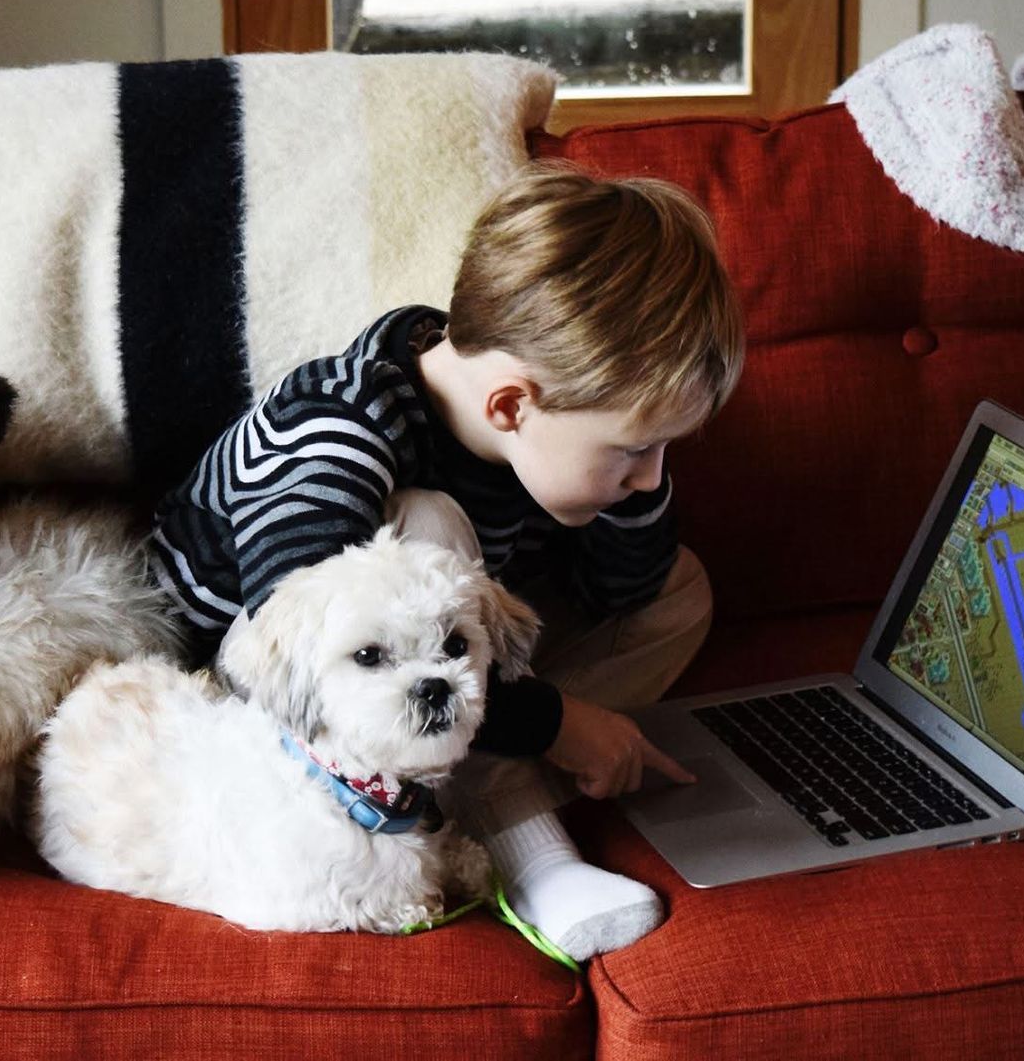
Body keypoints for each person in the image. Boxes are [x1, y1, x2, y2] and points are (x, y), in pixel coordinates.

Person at [148, 160, 745, 958]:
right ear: (510, 404)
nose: (652, 475)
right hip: (259, 685)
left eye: (665, 448)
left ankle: (467, 768)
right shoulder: (338, 426)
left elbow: (625, 586)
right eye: (635, 449)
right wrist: (559, 722)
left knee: (681, 591)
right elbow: (298, 641)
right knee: (424, 529)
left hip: (437, 668)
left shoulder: (535, 435)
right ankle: (528, 847)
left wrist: (628, 482)